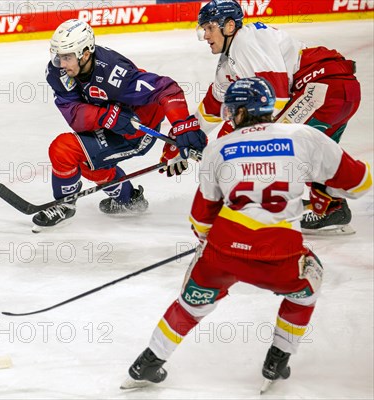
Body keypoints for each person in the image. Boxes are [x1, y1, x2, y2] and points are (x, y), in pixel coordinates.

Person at [121, 77, 372, 390]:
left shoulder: (220, 148)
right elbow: (361, 183)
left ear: (239, 113)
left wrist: (208, 248)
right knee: (308, 285)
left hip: (223, 250)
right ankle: (277, 359)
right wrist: (321, 194)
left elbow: (201, 219)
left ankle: (148, 362)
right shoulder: (304, 136)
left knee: (192, 303)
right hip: (280, 254)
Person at [193, 0, 361, 235]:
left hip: (322, 89)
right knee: (310, 153)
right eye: (203, 29)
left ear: (229, 26)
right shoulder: (228, 62)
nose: (206, 35)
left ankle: (262, 205)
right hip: (342, 92)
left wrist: (229, 141)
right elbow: (214, 103)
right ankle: (331, 207)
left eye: (210, 28)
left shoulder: (245, 42)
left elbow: (275, 99)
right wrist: (188, 134)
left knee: (271, 143)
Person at [33, 19, 207, 232]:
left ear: (85, 54)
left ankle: (64, 204)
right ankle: (128, 199)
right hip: (110, 123)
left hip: (138, 129)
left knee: (64, 149)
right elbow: (73, 112)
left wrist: (181, 126)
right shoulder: (58, 72)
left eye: (67, 57)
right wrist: (107, 116)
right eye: (58, 56)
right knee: (88, 162)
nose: (61, 63)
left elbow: (167, 89)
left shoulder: (115, 74)